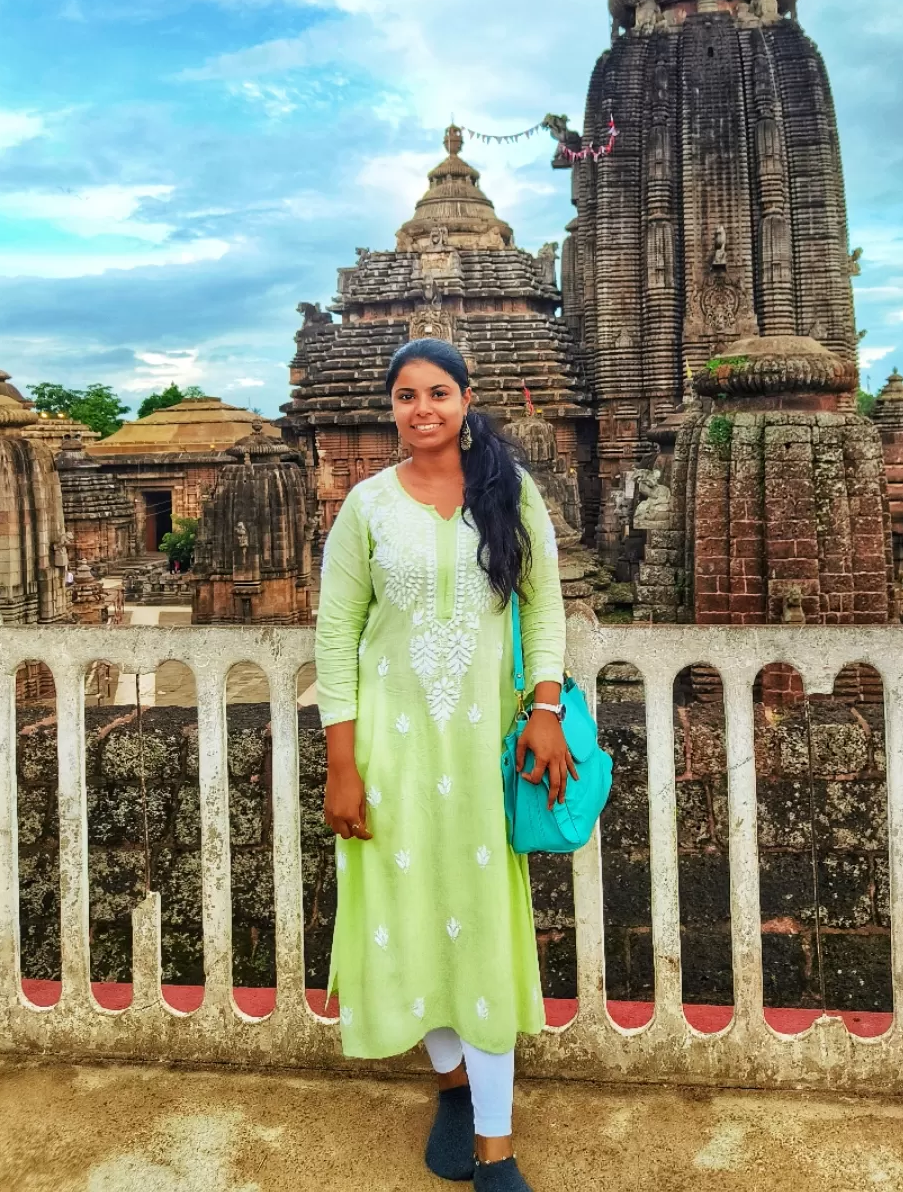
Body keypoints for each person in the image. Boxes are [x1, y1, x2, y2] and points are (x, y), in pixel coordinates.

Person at [315, 337, 572, 1189]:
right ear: (390, 408)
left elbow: (545, 610)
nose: (420, 409)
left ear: (466, 399)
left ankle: (496, 1148)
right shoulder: (366, 506)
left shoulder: (511, 492)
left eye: (436, 392)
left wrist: (544, 709)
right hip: (388, 746)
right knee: (401, 912)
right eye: (404, 396)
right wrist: (342, 765)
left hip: (477, 749)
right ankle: (454, 1086)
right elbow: (336, 640)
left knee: (481, 920)